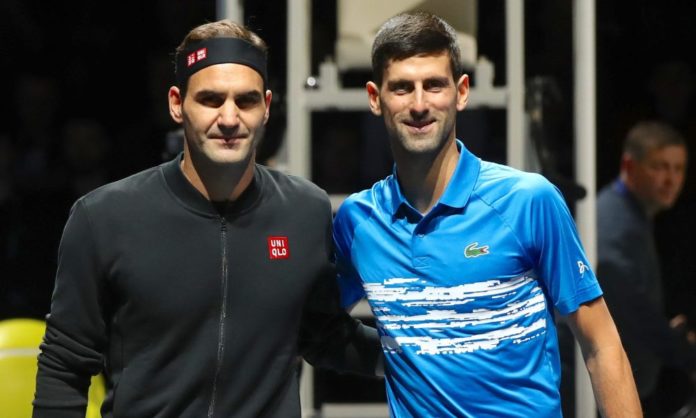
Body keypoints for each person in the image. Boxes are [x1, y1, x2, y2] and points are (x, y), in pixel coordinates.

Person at [33, 19, 381, 418]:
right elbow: (65, 364)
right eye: (211, 100)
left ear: (266, 107)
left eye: (245, 101)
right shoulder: (104, 217)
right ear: (177, 104)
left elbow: (322, 335)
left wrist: (423, 356)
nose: (230, 118)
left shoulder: (305, 210)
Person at [332, 11, 641, 417]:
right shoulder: (358, 221)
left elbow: (602, 344)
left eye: (435, 85)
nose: (420, 104)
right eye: (403, 88)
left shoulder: (529, 201)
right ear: (376, 98)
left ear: (461, 92)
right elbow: (304, 325)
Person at [597, 120, 696, 417]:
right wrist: (681, 351)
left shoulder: (632, 215)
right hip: (608, 392)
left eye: (678, 169)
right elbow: (625, 303)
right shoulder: (615, 221)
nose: (671, 179)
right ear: (630, 166)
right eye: (660, 167)